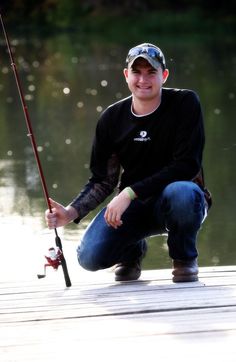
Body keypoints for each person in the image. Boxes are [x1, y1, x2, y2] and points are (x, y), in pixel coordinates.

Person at [45, 43, 211, 283]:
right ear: (126, 75)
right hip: (133, 207)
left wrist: (129, 193)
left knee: (182, 191)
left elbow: (186, 165)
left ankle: (184, 260)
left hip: (178, 200)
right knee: (89, 257)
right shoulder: (112, 119)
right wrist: (70, 213)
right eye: (137, 72)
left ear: (163, 75)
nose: (143, 79)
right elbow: (103, 179)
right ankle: (131, 252)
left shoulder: (185, 103)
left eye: (151, 72)